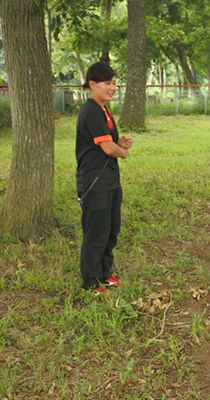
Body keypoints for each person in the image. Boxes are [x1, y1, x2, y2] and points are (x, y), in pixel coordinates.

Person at [76, 62, 133, 295]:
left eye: (114, 83)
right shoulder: (90, 111)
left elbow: (107, 144)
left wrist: (119, 144)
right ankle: (91, 282)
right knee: (96, 232)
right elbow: (108, 150)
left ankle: (104, 273)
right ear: (92, 84)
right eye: (107, 83)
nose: (112, 88)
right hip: (94, 182)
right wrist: (121, 151)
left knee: (111, 229)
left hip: (109, 179)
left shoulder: (104, 110)